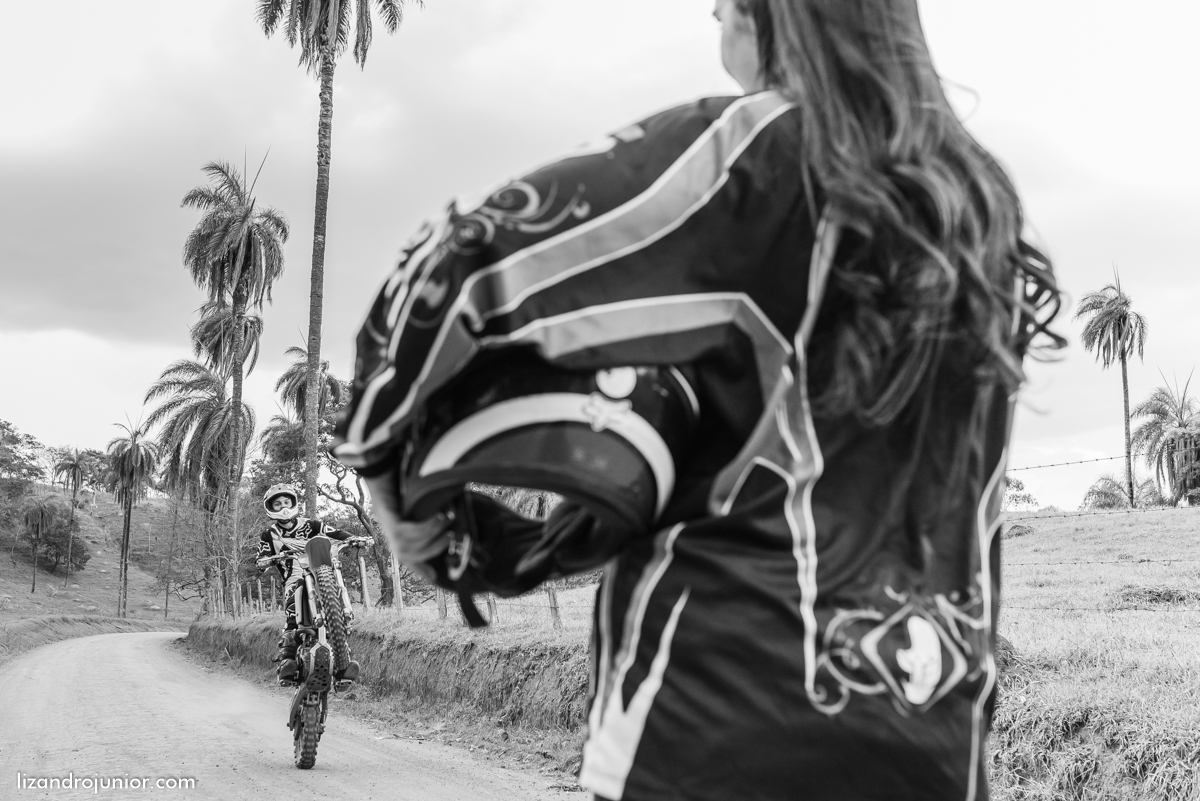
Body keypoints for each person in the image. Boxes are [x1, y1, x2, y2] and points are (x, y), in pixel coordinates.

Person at [333, 1, 1062, 798]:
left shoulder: (757, 152)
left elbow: (458, 266)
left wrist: (395, 481)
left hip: (714, 728)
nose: (712, 10)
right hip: (935, 745)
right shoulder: (978, 208)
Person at [255, 483, 363, 686]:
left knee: (336, 606)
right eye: (278, 504)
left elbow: (335, 532)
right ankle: (287, 661)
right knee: (293, 611)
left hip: (319, 572)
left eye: (286, 502)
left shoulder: (311, 525)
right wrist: (265, 561)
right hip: (294, 578)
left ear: (294, 503)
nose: (283, 507)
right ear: (270, 508)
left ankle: (344, 663)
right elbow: (261, 559)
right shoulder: (269, 534)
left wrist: (354, 538)